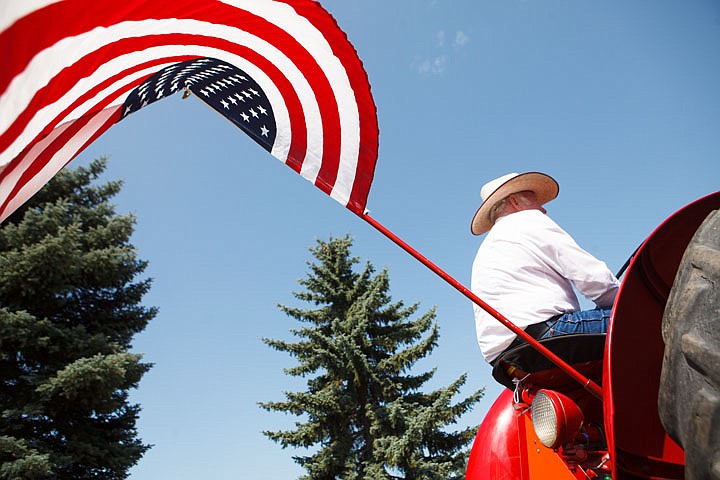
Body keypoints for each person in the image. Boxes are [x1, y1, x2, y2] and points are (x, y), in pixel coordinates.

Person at [470, 172, 620, 364]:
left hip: (505, 360)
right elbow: (593, 278)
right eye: (535, 202)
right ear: (515, 201)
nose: (543, 210)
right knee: (645, 317)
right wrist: (625, 302)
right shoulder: (526, 220)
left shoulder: (486, 250)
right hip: (548, 335)